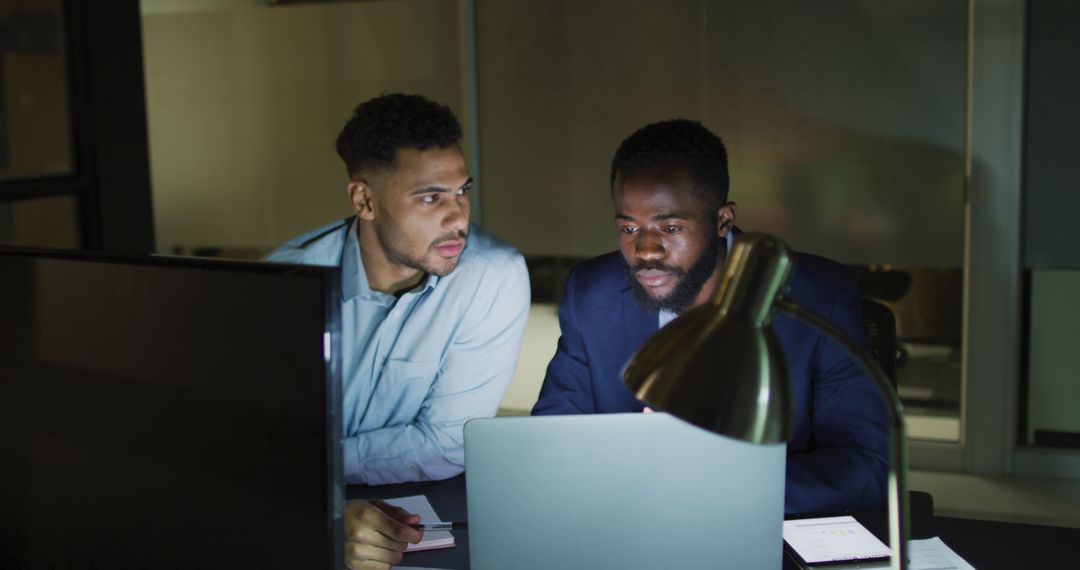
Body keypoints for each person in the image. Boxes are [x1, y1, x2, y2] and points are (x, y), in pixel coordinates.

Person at [532, 119, 888, 515]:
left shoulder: (820, 296)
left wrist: (713, 483)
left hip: (761, 532)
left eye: (669, 227)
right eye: (629, 227)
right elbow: (553, 442)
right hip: (632, 527)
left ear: (723, 220)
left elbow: (865, 469)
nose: (646, 250)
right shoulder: (592, 294)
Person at [266, 93, 529, 568]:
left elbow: (450, 443)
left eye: (462, 191)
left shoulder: (493, 275)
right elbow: (264, 439)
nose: (458, 218)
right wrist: (322, 500)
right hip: (296, 509)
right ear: (364, 199)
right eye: (431, 197)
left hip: (427, 511)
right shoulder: (290, 281)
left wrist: (316, 459)